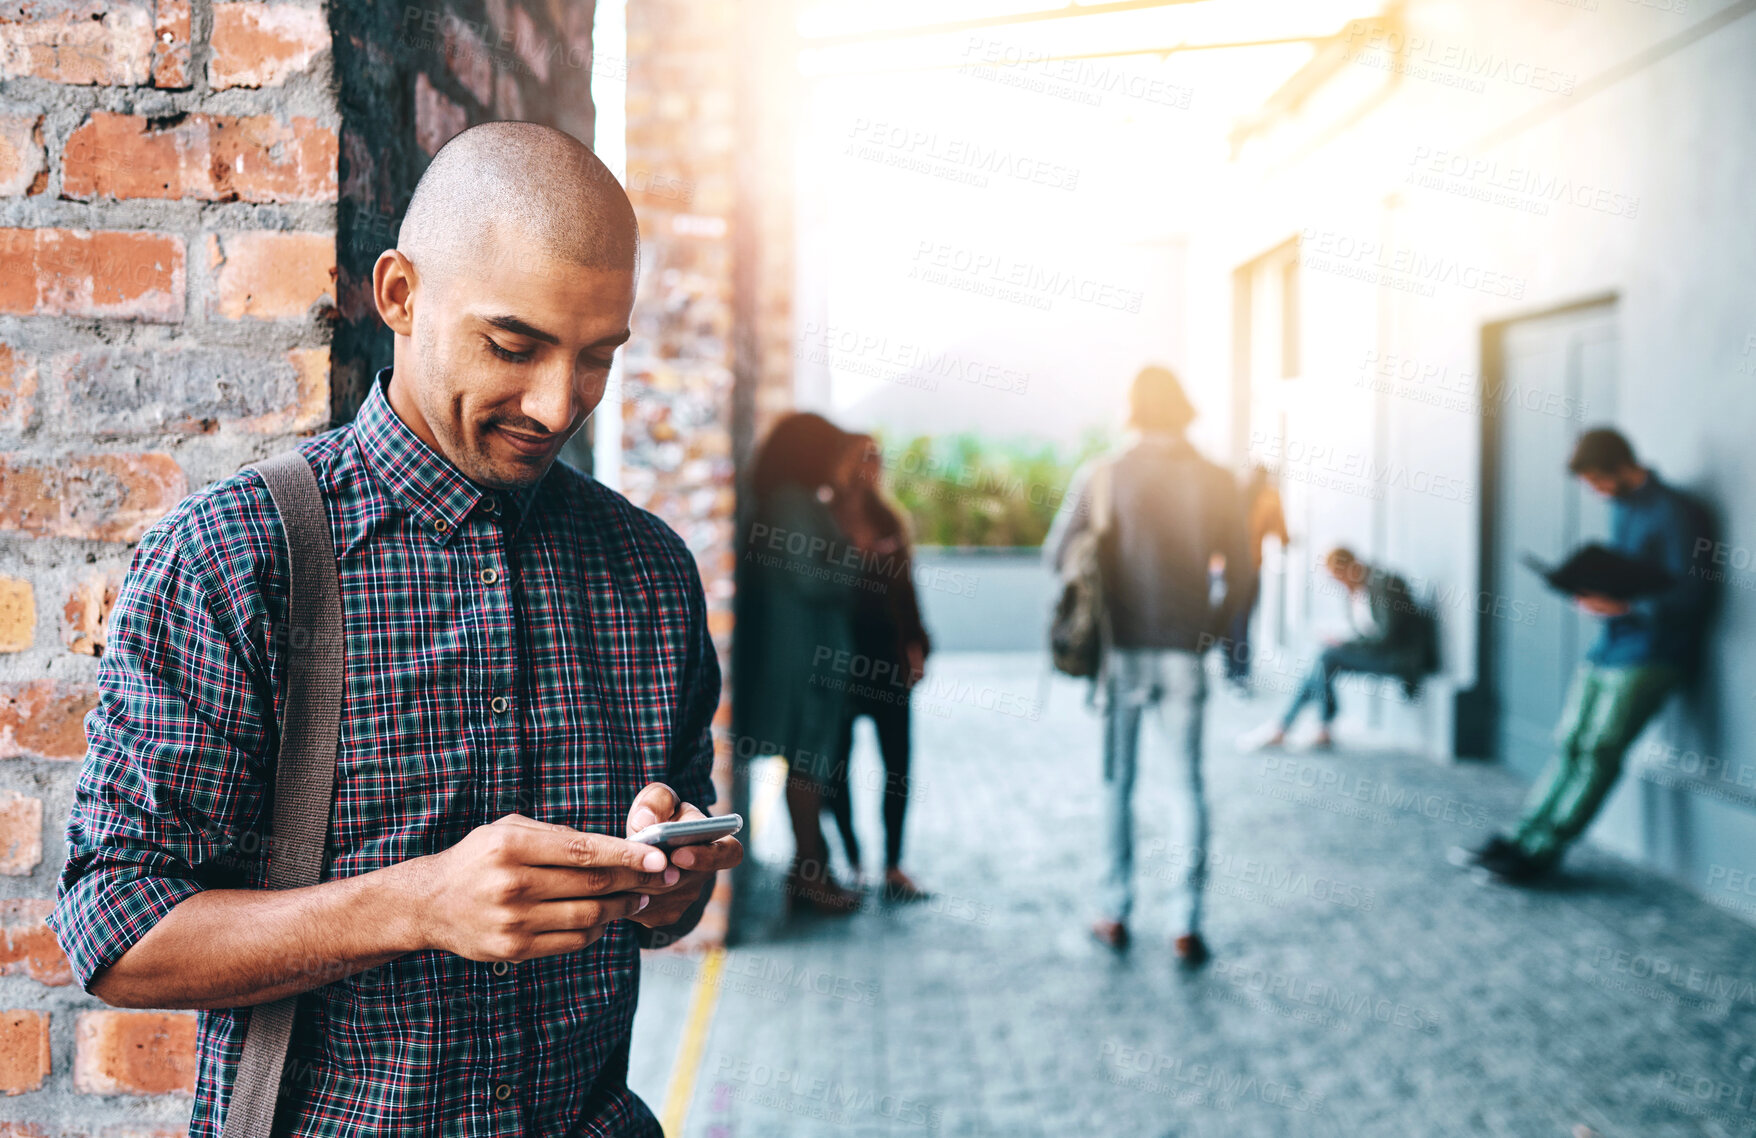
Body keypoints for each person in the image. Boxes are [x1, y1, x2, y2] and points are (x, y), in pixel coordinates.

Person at [44, 123, 740, 1137]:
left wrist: (661, 882)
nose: (557, 404)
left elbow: (670, 912)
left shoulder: (649, 572)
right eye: (514, 345)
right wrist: (418, 904)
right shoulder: (235, 558)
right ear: (401, 296)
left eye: (596, 359)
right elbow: (115, 934)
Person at [1044, 365, 1249, 966]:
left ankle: (1114, 911)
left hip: (1122, 651)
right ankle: (1186, 923)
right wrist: (1208, 628)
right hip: (1187, 650)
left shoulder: (1104, 476)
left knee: (1118, 784)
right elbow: (1241, 570)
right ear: (1184, 408)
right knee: (1188, 786)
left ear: (1132, 409)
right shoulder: (1216, 479)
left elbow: (1057, 554)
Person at [1458, 428, 1711, 883]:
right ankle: (1520, 837)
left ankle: (1542, 853)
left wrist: (1627, 605)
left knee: (1599, 752)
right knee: (1571, 743)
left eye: (1596, 480)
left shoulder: (1675, 513)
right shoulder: (1624, 507)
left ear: (1621, 466)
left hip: (1651, 654)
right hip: (1610, 647)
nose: (1593, 491)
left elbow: (1692, 594)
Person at [735, 412, 866, 914]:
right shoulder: (791, 504)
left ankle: (813, 870)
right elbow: (812, 579)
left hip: (806, 654)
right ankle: (809, 876)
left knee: (810, 765)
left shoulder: (795, 502)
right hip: (802, 659)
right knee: (808, 766)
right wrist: (856, 553)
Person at [820, 433, 932, 901]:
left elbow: (906, 592)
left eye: (875, 458)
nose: (870, 467)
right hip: (840, 660)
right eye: (861, 457)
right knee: (835, 767)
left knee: (897, 766)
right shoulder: (823, 518)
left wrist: (917, 646)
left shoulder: (890, 519)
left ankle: (892, 866)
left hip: (888, 659)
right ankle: (852, 859)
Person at [1249, 547, 1428, 749]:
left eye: (1339, 577)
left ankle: (1309, 727)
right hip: (1378, 652)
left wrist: (1345, 644)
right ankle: (1291, 727)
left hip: (1398, 657)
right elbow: (1367, 632)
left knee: (1326, 657)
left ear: (1351, 568)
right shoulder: (1356, 590)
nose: (1339, 583)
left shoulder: (1384, 584)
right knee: (1318, 665)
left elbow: (1387, 636)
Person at [1223, 464, 1289, 690]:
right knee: (1242, 622)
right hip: (1249, 569)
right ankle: (1240, 675)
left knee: (1230, 621)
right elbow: (1282, 534)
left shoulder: (1231, 494)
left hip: (1226, 568)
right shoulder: (1270, 497)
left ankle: (1230, 671)